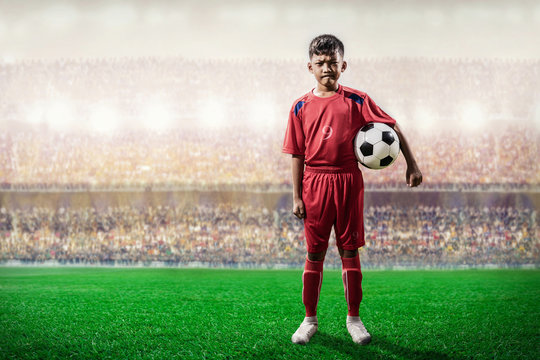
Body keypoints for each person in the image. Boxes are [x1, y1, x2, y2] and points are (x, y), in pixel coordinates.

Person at [282, 34, 423, 345]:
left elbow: (393, 129)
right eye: (320, 63)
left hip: (347, 179)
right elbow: (297, 153)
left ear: (343, 65)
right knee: (314, 252)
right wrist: (296, 196)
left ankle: (354, 319)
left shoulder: (358, 100)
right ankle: (309, 320)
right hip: (314, 181)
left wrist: (411, 164)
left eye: (333, 62)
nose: (327, 68)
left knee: (349, 250)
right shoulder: (299, 106)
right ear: (310, 67)